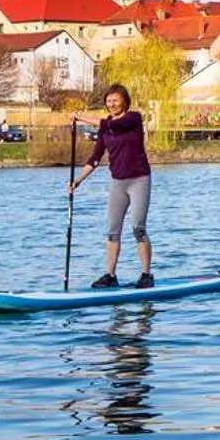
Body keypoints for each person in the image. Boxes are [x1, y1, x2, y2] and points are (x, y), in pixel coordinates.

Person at [69, 83, 153, 289]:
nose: (111, 104)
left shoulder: (133, 119)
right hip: (117, 183)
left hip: (139, 180)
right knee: (112, 231)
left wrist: (80, 118)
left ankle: (146, 275)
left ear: (124, 101)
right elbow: (95, 158)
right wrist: (78, 181)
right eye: (108, 101)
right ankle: (110, 275)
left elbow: (111, 125)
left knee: (138, 228)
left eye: (115, 100)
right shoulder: (106, 130)